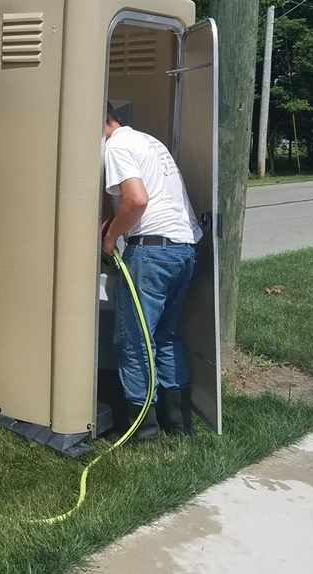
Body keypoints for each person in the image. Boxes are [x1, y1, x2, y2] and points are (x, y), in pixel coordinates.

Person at [100, 101, 201, 441]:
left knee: (135, 342)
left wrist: (111, 237)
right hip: (183, 249)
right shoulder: (147, 141)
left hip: (152, 253)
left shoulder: (115, 146)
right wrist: (112, 224)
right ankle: (180, 426)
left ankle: (143, 434)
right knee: (165, 337)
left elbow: (137, 200)